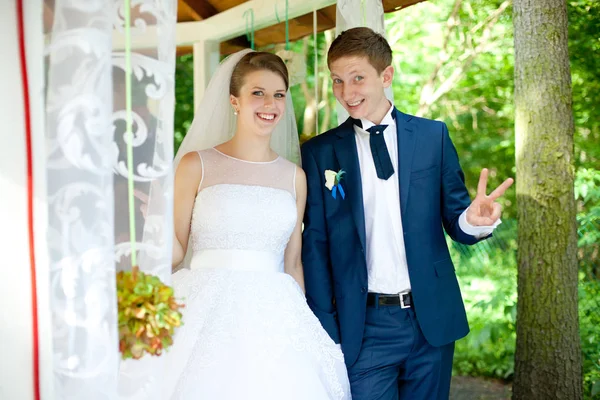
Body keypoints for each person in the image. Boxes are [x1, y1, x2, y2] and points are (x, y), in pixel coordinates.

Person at [301, 27, 514, 400]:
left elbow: (455, 219)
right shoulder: (320, 153)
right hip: (362, 326)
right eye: (337, 81)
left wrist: (474, 221)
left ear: (386, 76)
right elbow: (315, 246)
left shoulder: (433, 137)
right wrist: (326, 329)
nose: (347, 92)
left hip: (429, 318)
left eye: (357, 79)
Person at [161, 49, 351, 400]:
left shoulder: (295, 177)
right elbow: (174, 251)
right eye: (257, 93)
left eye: (279, 94)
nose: (270, 103)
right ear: (234, 100)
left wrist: (303, 326)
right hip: (203, 310)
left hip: (275, 314)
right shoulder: (195, 165)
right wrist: (150, 225)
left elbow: (293, 263)